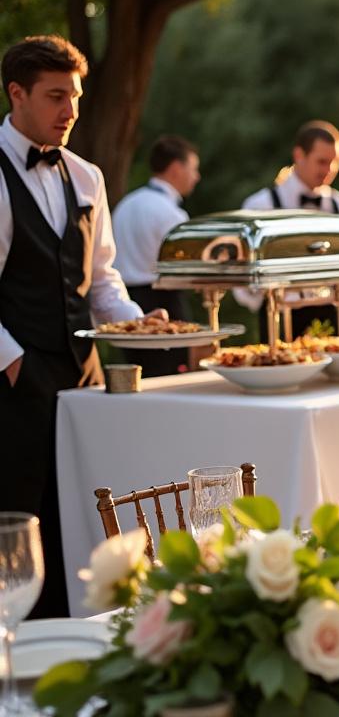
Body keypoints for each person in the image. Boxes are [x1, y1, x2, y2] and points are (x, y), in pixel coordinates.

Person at [1, 35, 164, 618]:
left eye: (74, 96)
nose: (70, 111)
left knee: (85, 511)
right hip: (13, 387)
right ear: (16, 94)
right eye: (54, 97)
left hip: (84, 378)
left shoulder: (88, 176)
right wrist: (14, 363)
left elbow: (101, 278)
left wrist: (138, 323)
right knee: (19, 525)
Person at [235, 121, 339, 337]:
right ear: (299, 155)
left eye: (335, 162)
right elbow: (242, 274)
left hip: (331, 315)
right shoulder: (260, 206)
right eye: (322, 161)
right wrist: (264, 301)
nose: (329, 170)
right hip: (277, 316)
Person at [111, 135, 199, 376]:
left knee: (138, 375)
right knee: (169, 378)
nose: (196, 177)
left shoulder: (125, 204)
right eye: (193, 169)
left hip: (125, 302)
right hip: (164, 304)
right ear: (175, 168)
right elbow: (189, 269)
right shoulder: (172, 214)